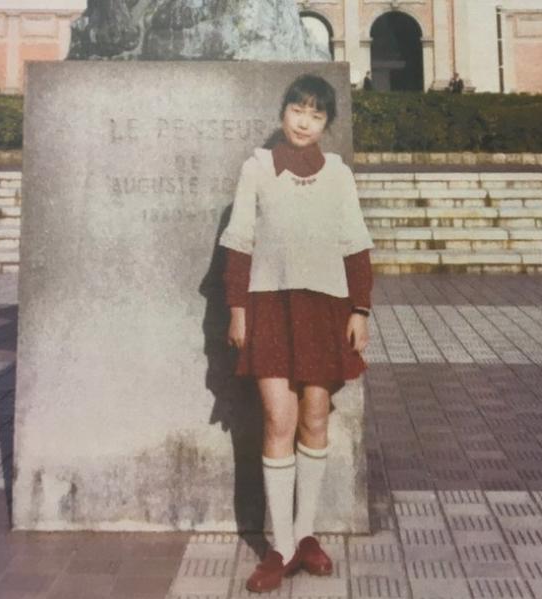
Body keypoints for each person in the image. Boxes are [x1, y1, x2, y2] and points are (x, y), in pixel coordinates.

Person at [218, 74, 375, 593]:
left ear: (326, 123)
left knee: (314, 418)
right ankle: (280, 544)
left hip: (327, 309)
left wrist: (361, 310)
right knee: (277, 418)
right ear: (283, 112)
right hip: (270, 306)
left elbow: (355, 245)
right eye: (297, 111)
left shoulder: (338, 174)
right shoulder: (258, 167)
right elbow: (239, 241)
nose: (304, 122)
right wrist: (237, 308)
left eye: (316, 115)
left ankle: (306, 534)